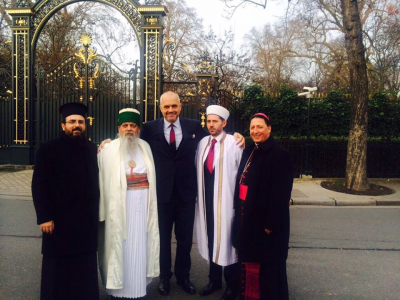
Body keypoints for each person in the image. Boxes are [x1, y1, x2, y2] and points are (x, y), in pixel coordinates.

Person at [99, 91, 244, 296]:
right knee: (163, 239)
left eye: (174, 106)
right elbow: (129, 138)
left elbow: (215, 137)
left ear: (180, 107)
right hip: (161, 195)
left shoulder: (194, 126)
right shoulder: (150, 128)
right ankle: (165, 278)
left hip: (186, 194)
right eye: (166, 107)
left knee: (184, 240)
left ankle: (183, 276)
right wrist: (107, 143)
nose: (170, 110)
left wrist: (236, 136)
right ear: (160, 108)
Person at [32, 102, 100, 300]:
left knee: (84, 268)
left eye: (80, 121)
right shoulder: (48, 149)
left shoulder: (91, 149)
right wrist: (44, 217)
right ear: (63, 125)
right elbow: (39, 184)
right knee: (57, 270)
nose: (76, 125)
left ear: (85, 125)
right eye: (72, 122)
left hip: (85, 223)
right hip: (57, 222)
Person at [97, 108, 160, 299]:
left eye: (133, 125)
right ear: (119, 127)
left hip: (141, 209)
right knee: (119, 248)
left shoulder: (145, 147)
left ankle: (138, 288)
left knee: (139, 245)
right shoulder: (108, 149)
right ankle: (116, 290)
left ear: (139, 128)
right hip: (119, 210)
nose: (129, 129)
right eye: (125, 125)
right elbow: (101, 178)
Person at [232, 113, 293, 300]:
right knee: (249, 261)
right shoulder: (250, 149)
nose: (255, 131)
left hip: (266, 224)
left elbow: (281, 195)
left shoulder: (279, 154)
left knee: (268, 266)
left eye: (259, 127)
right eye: (252, 128)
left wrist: (270, 225)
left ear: (269, 128)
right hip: (247, 217)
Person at [195, 105, 242, 300]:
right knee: (212, 239)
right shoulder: (203, 143)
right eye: (208, 121)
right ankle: (214, 281)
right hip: (207, 203)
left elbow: (242, 173)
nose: (211, 125)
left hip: (227, 202)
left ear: (224, 123)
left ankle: (232, 286)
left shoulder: (235, 143)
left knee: (229, 244)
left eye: (215, 121)